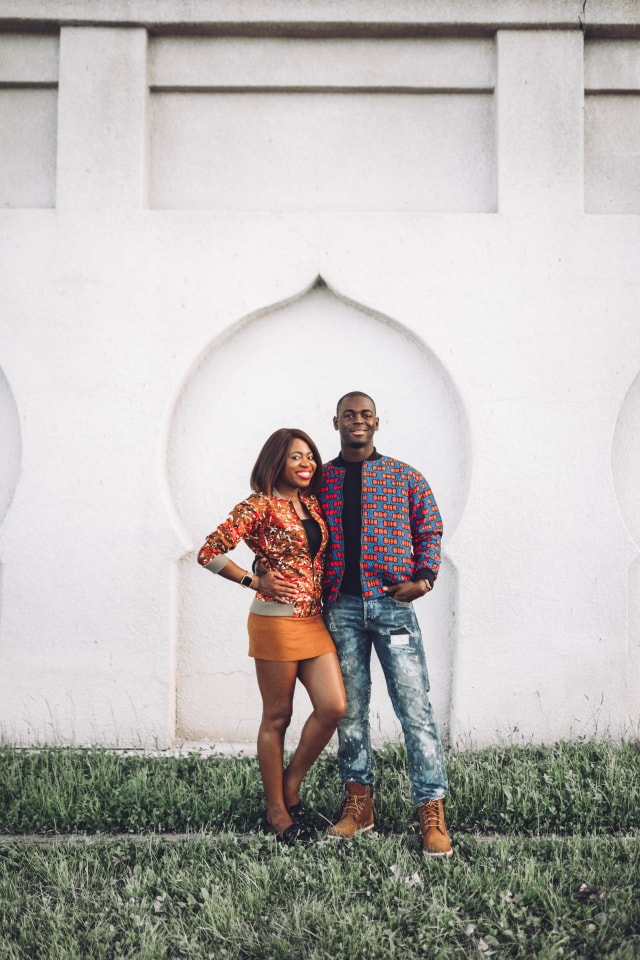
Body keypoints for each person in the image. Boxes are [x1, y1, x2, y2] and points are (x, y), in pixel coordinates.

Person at [196, 428, 346, 844]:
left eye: (310, 457)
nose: (306, 464)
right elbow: (208, 552)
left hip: (312, 620)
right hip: (275, 621)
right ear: (276, 462)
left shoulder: (312, 505)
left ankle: (291, 785)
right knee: (277, 717)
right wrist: (253, 581)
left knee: (333, 706)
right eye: (296, 457)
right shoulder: (258, 506)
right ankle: (277, 811)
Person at [320, 391, 453, 858]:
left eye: (366, 414)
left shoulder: (404, 476)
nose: (358, 421)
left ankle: (431, 811)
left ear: (377, 422)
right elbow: (294, 530)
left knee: (414, 710)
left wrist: (425, 578)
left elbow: (429, 527)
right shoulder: (321, 480)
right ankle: (360, 805)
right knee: (349, 710)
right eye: (349, 415)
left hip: (392, 605)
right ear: (335, 421)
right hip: (340, 609)